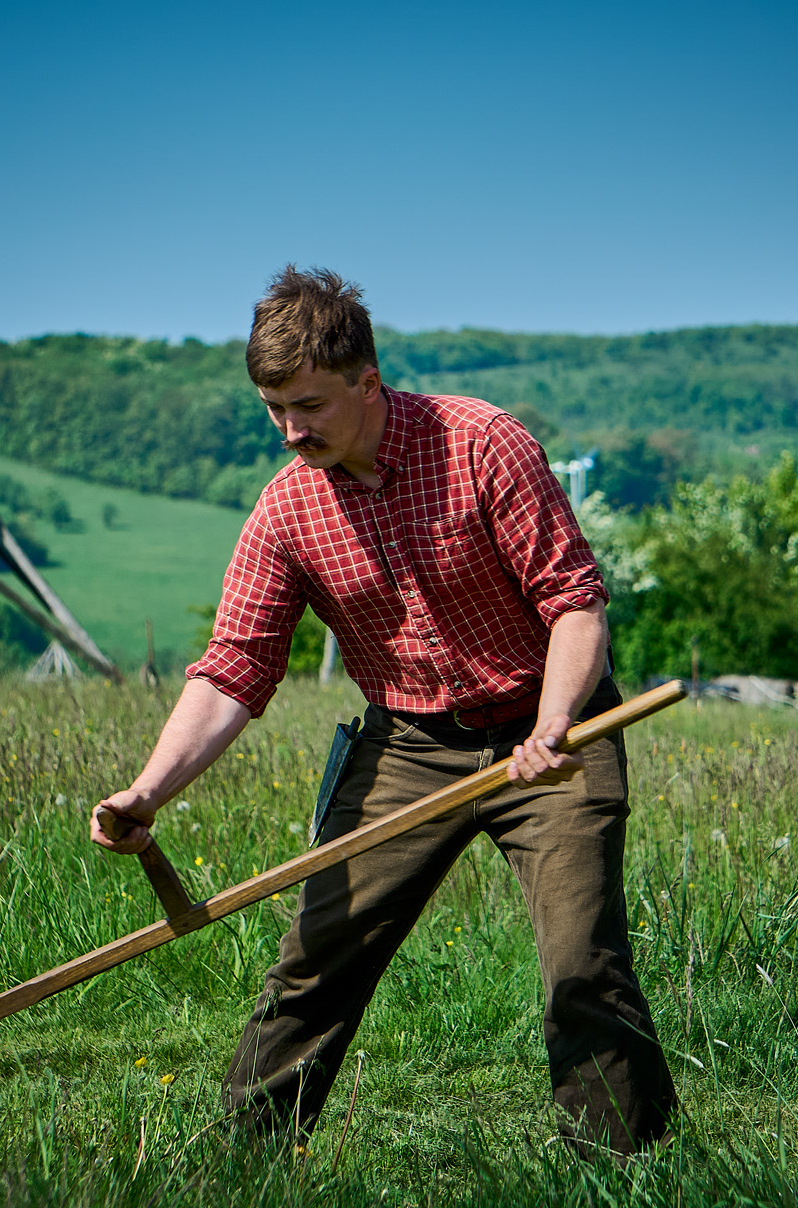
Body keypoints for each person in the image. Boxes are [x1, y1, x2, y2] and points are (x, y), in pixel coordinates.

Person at [89, 266, 676, 1154]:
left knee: (582, 963)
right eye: (274, 409)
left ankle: (624, 1169)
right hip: (406, 746)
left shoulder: (481, 444)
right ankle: (242, 1163)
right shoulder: (286, 510)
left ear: (368, 382)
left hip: (551, 730)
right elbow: (235, 667)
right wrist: (148, 791)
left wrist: (554, 724)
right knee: (315, 960)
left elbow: (575, 604)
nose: (291, 431)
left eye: (309, 406)